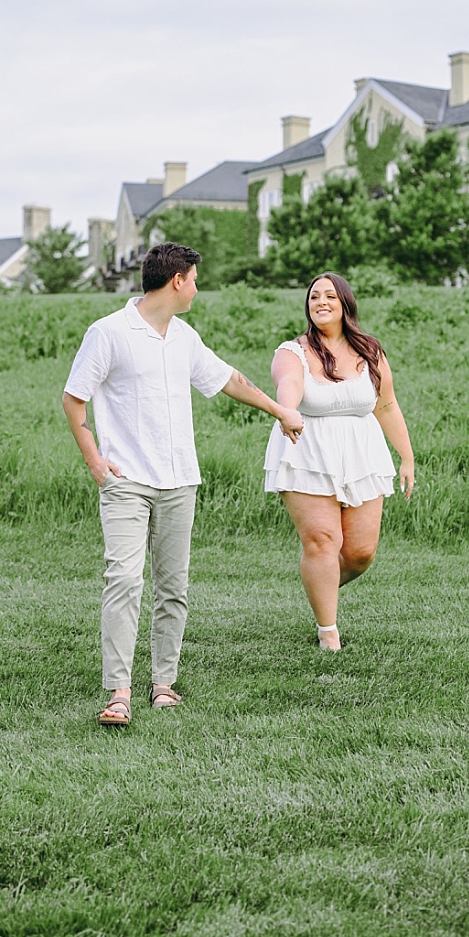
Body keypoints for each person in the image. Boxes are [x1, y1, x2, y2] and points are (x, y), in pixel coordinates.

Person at [63, 242, 306, 728]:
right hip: (126, 481)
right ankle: (119, 692)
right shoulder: (109, 332)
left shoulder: (184, 337)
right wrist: (94, 461)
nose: (197, 287)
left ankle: (163, 684)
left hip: (179, 482)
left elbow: (229, 380)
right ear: (177, 280)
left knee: (173, 587)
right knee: (125, 581)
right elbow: (74, 399)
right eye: (195, 279)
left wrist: (279, 410)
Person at [264, 273, 415, 651]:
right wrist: (287, 409)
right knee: (322, 541)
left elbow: (387, 404)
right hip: (307, 451)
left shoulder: (370, 351)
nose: (321, 302)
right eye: (314, 296)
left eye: (330, 295)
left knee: (360, 553)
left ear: (345, 303)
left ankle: (320, 582)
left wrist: (407, 456)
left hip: (362, 453)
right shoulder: (292, 352)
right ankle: (327, 631)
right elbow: (289, 385)